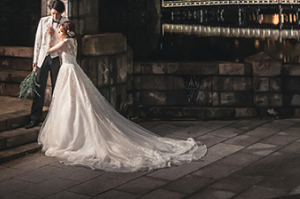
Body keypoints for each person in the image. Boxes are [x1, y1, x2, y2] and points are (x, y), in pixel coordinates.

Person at [38, 21, 207, 172]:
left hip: (68, 72)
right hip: (74, 71)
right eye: (59, 31)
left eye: (61, 31)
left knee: (71, 102)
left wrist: (50, 36)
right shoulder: (72, 41)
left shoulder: (64, 42)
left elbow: (49, 51)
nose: (59, 32)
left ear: (66, 32)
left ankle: (71, 137)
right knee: (77, 101)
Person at [25, 0, 68, 129]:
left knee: (57, 88)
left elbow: (67, 40)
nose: (54, 16)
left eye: (57, 14)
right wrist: (35, 60)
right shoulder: (43, 21)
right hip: (43, 57)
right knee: (39, 88)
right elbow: (38, 41)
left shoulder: (66, 22)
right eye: (53, 13)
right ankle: (34, 117)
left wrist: (53, 34)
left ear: (61, 13)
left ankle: (56, 119)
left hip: (57, 58)